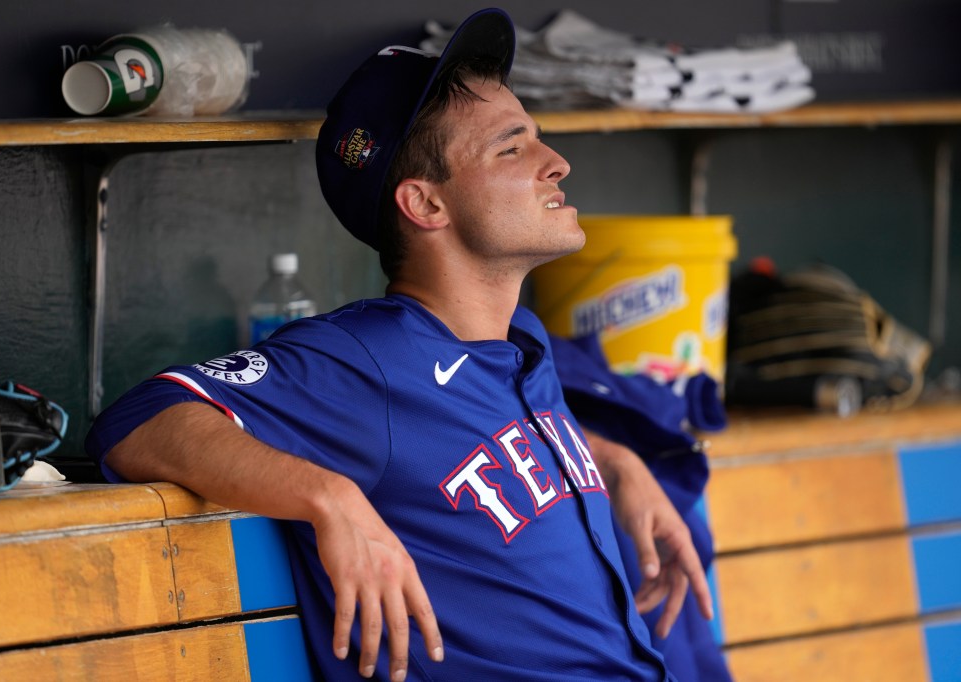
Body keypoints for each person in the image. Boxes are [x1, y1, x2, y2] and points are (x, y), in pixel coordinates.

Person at [86, 8, 714, 681]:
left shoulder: (517, 338)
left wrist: (613, 460)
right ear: (427, 205)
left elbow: (462, 434)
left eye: (535, 138)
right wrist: (329, 498)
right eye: (512, 147)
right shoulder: (366, 359)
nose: (555, 163)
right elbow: (137, 420)